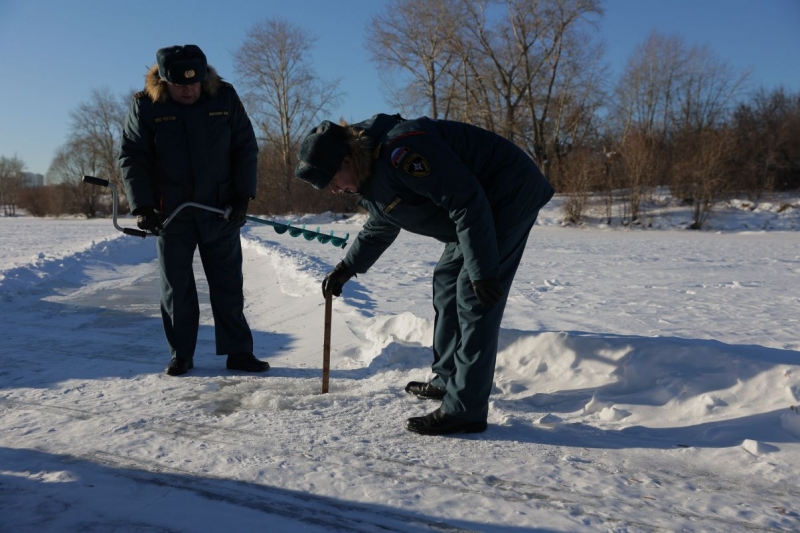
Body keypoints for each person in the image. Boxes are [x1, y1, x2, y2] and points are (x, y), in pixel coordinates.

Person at [294, 114, 554, 435]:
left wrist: (483, 271)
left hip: (506, 193)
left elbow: (466, 200)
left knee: (474, 296)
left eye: (333, 180)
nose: (334, 191)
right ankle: (448, 379)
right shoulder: (369, 170)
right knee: (447, 282)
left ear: (347, 159)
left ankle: (466, 408)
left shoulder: (402, 151)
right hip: (475, 208)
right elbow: (382, 220)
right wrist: (348, 267)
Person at [119, 44, 269, 376]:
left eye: (194, 82)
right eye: (179, 84)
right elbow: (132, 156)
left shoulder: (224, 98)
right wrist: (142, 205)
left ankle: (239, 352)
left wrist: (243, 196)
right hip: (171, 214)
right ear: (163, 80)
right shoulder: (146, 107)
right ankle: (181, 354)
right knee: (177, 287)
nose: (188, 89)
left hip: (220, 209)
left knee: (228, 284)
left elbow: (245, 147)